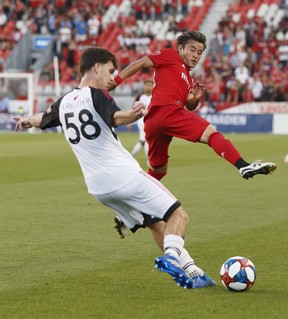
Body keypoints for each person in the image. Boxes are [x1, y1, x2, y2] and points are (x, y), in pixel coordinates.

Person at [14, 47, 216, 289]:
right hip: (123, 175)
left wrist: (27, 121)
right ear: (97, 67)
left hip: (99, 189)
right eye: (110, 71)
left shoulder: (64, 102)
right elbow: (116, 118)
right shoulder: (97, 95)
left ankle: (194, 272)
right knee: (178, 215)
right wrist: (132, 114)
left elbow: (42, 118)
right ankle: (171, 257)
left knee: (154, 222)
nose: (112, 78)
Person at [109, 30, 277, 181]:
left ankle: (130, 208)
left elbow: (189, 106)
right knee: (211, 133)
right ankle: (243, 165)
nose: (196, 55)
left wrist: (195, 98)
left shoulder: (188, 78)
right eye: (192, 49)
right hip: (168, 112)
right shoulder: (170, 56)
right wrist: (117, 80)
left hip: (154, 122)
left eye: (199, 52)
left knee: (158, 171)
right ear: (180, 49)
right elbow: (140, 63)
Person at [130, 79, 153, 164]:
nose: (148, 87)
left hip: (152, 121)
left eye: (150, 85)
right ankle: (149, 160)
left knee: (143, 141)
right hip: (142, 121)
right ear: (144, 87)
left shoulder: (154, 96)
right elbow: (133, 109)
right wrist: (130, 122)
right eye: (147, 85)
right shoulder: (140, 97)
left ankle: (131, 156)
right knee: (147, 140)